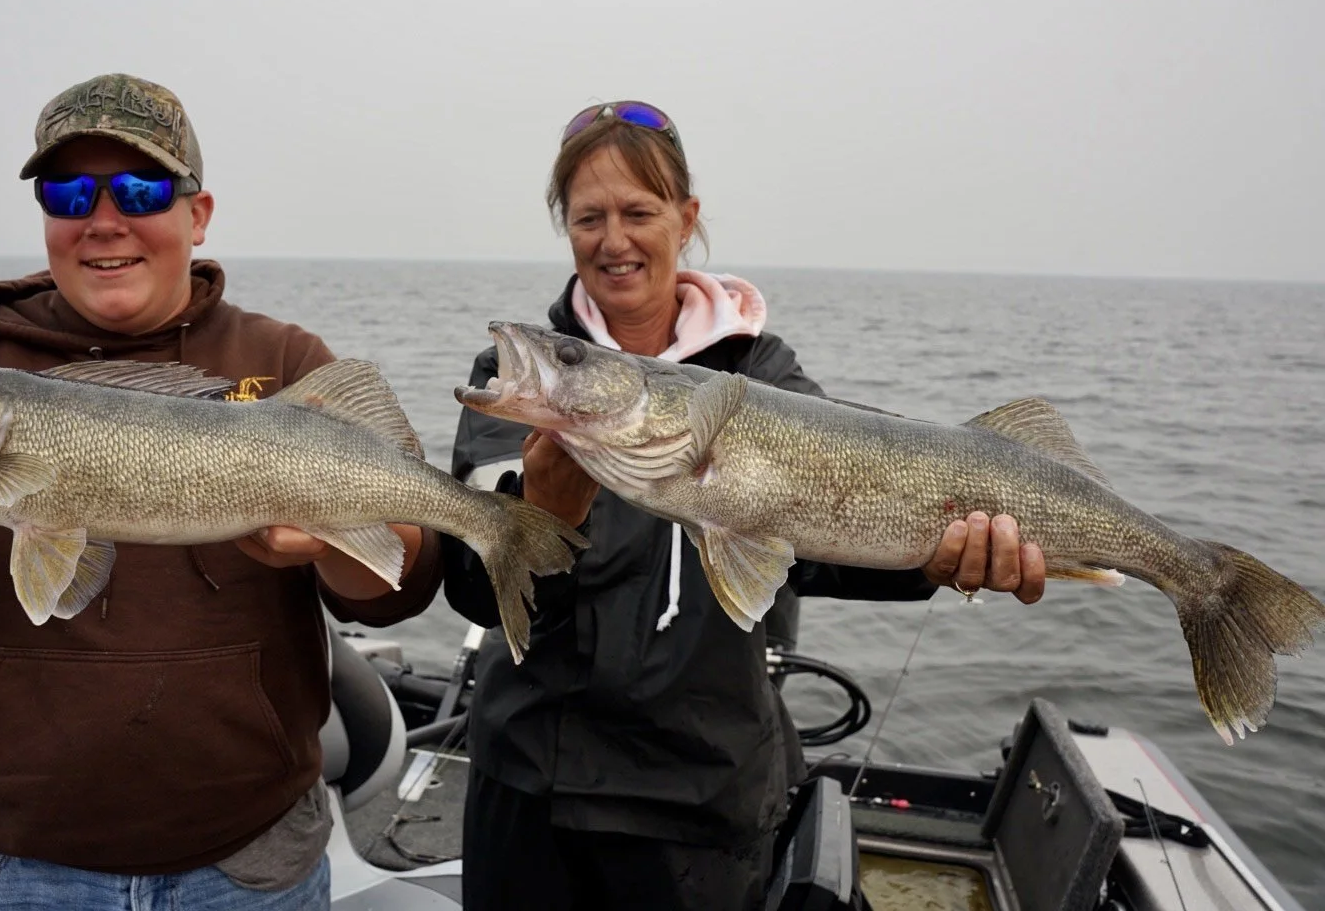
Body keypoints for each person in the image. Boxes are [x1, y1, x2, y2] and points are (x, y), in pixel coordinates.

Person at [0, 73, 443, 910]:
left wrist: (339, 539)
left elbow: (388, 594)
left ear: (197, 213)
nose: (103, 219)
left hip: (249, 862)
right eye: (69, 192)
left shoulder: (286, 362)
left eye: (140, 188)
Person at [442, 100, 1045, 911]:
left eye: (638, 211)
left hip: (704, 800)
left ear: (686, 220)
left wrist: (938, 563)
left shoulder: (765, 373)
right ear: (566, 228)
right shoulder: (515, 381)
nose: (613, 240)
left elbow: (829, 540)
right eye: (588, 217)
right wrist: (543, 512)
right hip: (532, 795)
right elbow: (476, 589)